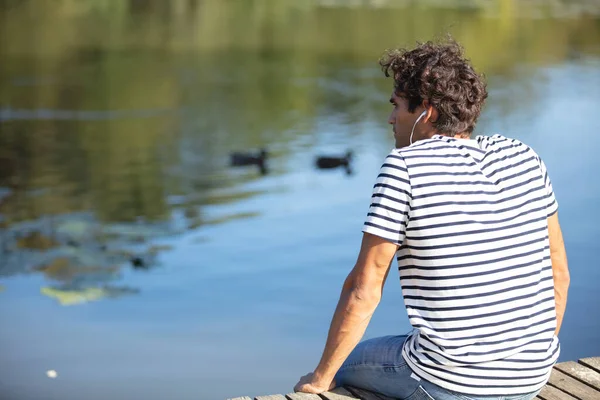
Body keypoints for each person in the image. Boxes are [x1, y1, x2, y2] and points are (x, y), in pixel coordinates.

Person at [293, 37, 570, 400]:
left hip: (453, 386)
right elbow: (558, 272)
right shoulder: (523, 156)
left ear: (427, 111)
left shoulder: (404, 167)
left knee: (341, 367)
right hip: (533, 376)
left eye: (396, 106)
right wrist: (527, 361)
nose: (391, 118)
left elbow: (364, 289)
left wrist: (319, 379)